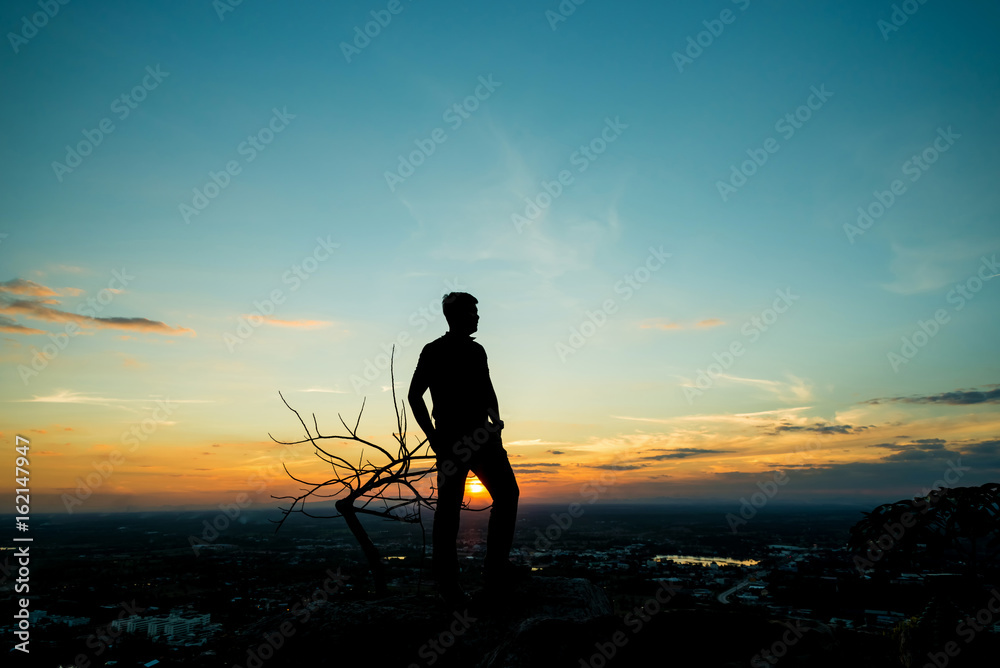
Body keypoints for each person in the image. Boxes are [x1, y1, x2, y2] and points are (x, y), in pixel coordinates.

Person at [407, 292, 522, 604]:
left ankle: (495, 569)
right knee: (448, 512)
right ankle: (449, 584)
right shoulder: (433, 351)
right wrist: (432, 436)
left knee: (507, 495)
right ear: (456, 316)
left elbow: (487, 390)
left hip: (483, 439)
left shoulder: (477, 351)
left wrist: (496, 423)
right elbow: (414, 395)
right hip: (451, 441)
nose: (478, 318)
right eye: (472, 312)